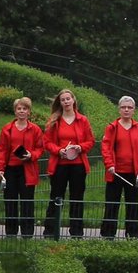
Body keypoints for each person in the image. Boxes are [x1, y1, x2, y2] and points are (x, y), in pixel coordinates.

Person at [43, 88, 94, 239]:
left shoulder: (82, 120)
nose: (66, 102)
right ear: (60, 102)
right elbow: (47, 142)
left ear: (73, 100)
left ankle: (76, 233)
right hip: (60, 164)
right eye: (63, 100)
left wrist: (80, 147)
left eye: (68, 99)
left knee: (77, 198)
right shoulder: (54, 120)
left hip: (78, 165)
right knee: (56, 197)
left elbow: (90, 141)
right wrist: (59, 150)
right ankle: (50, 231)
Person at [100, 96, 138, 239]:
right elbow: (106, 148)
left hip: (134, 174)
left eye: (129, 107)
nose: (126, 110)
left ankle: (132, 236)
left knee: (133, 206)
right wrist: (109, 164)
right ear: (119, 109)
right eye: (123, 107)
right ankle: (108, 236)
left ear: (134, 110)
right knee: (111, 205)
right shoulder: (112, 128)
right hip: (115, 173)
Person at [0, 96, 44, 237]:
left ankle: (27, 233)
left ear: (29, 112)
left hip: (27, 169)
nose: (22, 111)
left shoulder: (35, 129)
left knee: (27, 202)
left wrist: (31, 155)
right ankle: (11, 233)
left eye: (24, 109)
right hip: (10, 169)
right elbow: (2, 150)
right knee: (10, 201)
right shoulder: (7, 129)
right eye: (19, 108)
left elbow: (40, 148)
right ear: (15, 111)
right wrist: (0, 169)